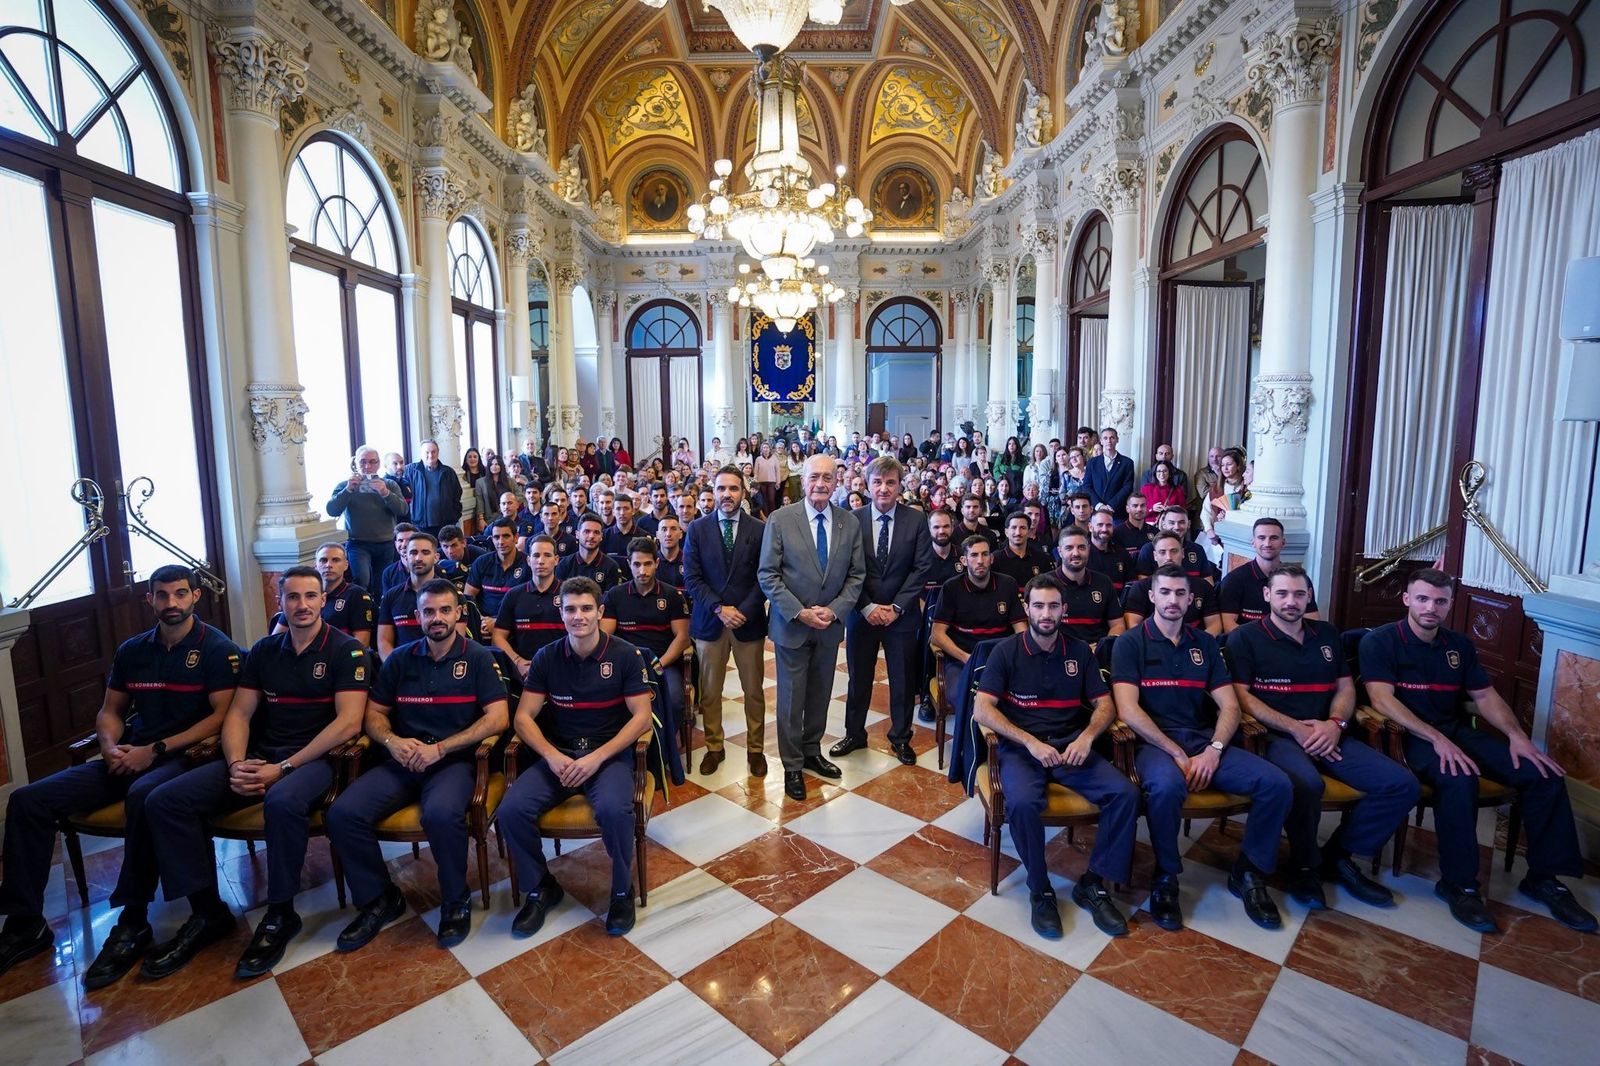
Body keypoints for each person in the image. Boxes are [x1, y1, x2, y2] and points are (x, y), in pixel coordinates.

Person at [0, 568, 241, 985]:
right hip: (129, 754)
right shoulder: (133, 650)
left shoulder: (217, 649)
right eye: (162, 596)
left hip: (183, 757)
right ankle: (25, 923)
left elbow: (222, 718)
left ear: (195, 596)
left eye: (180, 594)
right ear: (149, 600)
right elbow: (110, 712)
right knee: (27, 800)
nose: (171, 604)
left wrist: (157, 750)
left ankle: (132, 920)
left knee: (146, 797)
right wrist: (110, 746)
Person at [142, 567, 368, 979]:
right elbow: (239, 714)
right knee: (165, 800)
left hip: (317, 761)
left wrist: (282, 769)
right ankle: (207, 911)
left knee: (282, 801)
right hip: (261, 756)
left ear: (323, 601)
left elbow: (348, 724)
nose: (302, 605)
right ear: (280, 602)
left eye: (310, 596)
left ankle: (281, 913)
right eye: (293, 597)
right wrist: (236, 763)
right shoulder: (264, 650)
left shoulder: (345, 649)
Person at [1361, 571, 1596, 933]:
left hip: (1455, 729)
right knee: (1459, 777)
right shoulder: (1381, 641)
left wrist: (1516, 736)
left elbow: (1485, 696)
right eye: (1423, 599)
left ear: (1449, 604)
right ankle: (1459, 883)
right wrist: (1436, 740)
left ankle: (1544, 878)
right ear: (1407, 599)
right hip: (1410, 737)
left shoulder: (1459, 646)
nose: (1431, 608)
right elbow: (1381, 699)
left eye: (1440, 601)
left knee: (1543, 773)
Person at [326, 580, 510, 951]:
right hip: (403, 759)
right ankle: (379, 898)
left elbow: (498, 719)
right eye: (429, 612)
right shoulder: (400, 658)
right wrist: (393, 742)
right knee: (343, 813)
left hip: (453, 763)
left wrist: (442, 748)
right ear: (417, 617)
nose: (437, 618)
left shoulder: (477, 657)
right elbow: (374, 715)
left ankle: (455, 900)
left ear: (459, 613)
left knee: (440, 816)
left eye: (445, 610)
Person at [1112, 566, 1293, 932]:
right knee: (1166, 787)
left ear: (1191, 599)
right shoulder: (1131, 643)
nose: (1173, 600)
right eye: (1165, 593)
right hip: (1154, 743)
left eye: (1181, 594)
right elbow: (1129, 710)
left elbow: (1229, 705)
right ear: (1152, 596)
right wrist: (1175, 752)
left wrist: (1212, 749)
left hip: (1201, 738)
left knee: (1276, 784)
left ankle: (1249, 871)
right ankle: (1166, 875)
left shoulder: (1205, 644)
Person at [1227, 565, 1417, 909]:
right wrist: (1296, 728)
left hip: (1329, 734)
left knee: (1400, 784)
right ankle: (1303, 866)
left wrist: (1334, 725)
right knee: (1307, 785)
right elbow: (1241, 697)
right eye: (1282, 593)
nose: (1291, 601)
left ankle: (1337, 856)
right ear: (1267, 595)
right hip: (1275, 736)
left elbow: (1345, 688)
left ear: (1309, 597)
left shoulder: (1327, 634)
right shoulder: (1245, 637)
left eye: (1299, 594)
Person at [974, 575, 1140, 939]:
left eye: (1053, 606)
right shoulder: (1006, 650)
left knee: (1125, 794)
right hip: (1023, 750)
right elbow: (982, 709)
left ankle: (1092, 883)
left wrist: (1086, 737)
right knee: (1021, 803)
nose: (1046, 613)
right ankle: (1040, 888)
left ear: (1064, 609)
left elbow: (1104, 705)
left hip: (1071, 747)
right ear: (1027, 608)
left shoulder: (1079, 651)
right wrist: (1029, 742)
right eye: (1038, 605)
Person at [500, 578, 655, 938]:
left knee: (616, 811)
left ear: (600, 612)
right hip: (560, 754)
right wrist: (552, 756)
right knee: (510, 811)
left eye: (586, 608)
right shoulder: (547, 656)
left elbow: (642, 717)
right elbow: (523, 717)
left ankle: (621, 891)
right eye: (570, 609)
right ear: (561, 612)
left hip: (607, 756)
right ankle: (541, 887)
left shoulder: (624, 655)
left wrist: (596, 758)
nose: (578, 616)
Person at [757, 454, 866, 800]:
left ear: (837, 482)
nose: (820, 483)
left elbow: (856, 575)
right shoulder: (780, 519)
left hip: (829, 627)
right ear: (802, 481)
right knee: (790, 698)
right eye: (814, 477)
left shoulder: (849, 523)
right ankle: (791, 765)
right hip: (792, 625)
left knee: (820, 692)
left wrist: (834, 611)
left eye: (827, 478)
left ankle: (811, 750)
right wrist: (800, 612)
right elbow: (767, 575)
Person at [832, 457, 933, 766]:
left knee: (902, 679)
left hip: (901, 616)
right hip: (862, 614)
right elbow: (845, 568)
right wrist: (867, 606)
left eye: (890, 482)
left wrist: (897, 607)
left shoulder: (915, 520)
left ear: (900, 485)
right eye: (877, 482)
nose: (884, 488)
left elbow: (922, 568)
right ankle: (854, 733)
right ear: (867, 484)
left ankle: (901, 737)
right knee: (858, 678)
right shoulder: (852, 519)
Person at [685, 466, 770, 776]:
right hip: (710, 621)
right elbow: (692, 579)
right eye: (721, 488)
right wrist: (720, 609)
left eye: (733, 489)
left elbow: (765, 577)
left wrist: (742, 610)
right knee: (709, 690)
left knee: (754, 690)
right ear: (713, 491)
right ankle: (714, 746)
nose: (727, 494)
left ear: (743, 493)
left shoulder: (759, 529)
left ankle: (756, 749)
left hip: (748, 623)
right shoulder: (697, 529)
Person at [603, 538, 690, 732]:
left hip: (663, 664)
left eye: (648, 564)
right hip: (625, 664)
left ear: (657, 563)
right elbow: (604, 635)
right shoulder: (615, 595)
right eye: (637, 564)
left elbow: (682, 638)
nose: (642, 571)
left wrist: (659, 663)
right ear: (629, 564)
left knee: (675, 700)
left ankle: (667, 747)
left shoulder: (672, 595)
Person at [931, 536, 1026, 708]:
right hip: (962, 660)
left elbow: (1021, 630)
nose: (980, 561)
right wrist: (967, 658)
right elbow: (936, 635)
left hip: (1001, 658)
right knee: (960, 696)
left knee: (1020, 694)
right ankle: (971, 735)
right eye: (974, 555)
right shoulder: (952, 587)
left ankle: (1001, 734)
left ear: (992, 558)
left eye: (984, 554)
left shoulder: (1008, 584)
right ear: (964, 560)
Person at [327, 445, 410, 591]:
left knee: (382, 583)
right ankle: (362, 610)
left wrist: (385, 493)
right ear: (355, 464)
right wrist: (348, 490)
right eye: (363, 462)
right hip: (357, 543)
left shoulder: (389, 484)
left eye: (372, 462)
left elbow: (403, 510)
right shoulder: (345, 485)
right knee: (361, 580)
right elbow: (332, 510)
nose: (367, 466)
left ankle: (379, 612)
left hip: (385, 542)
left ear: (378, 464)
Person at [1218, 517, 1321, 632]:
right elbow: (1228, 625)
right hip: (1249, 645)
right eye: (1261, 538)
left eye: (1274, 538)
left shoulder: (1300, 580)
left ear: (1283, 543)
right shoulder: (1234, 580)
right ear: (1253, 542)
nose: (1267, 543)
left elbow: (1313, 623)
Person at [493, 535, 566, 684]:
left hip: (562, 669)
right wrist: (518, 662)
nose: (541, 561)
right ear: (528, 560)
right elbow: (498, 637)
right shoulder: (514, 595)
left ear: (556, 560)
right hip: (524, 672)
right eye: (536, 555)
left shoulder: (568, 593)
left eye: (547, 555)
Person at [1122, 533, 1221, 634]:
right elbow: (1133, 625)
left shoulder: (1203, 586)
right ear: (1155, 556)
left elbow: (1215, 624)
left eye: (1174, 551)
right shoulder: (1141, 588)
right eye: (1162, 552)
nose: (1169, 557)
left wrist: (1199, 644)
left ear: (1182, 553)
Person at [1052, 526, 1123, 647]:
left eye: (1081, 547)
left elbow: (1118, 625)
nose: (1076, 553)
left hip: (1097, 655)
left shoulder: (1104, 582)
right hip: (1058, 653)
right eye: (1069, 548)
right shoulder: (1046, 584)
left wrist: (1103, 647)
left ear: (1088, 549)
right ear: (1060, 551)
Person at [465, 517, 531, 620]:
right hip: (484, 621)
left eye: (506, 536)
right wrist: (480, 620)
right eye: (496, 537)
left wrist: (498, 623)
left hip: (516, 623)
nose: (501, 542)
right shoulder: (482, 562)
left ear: (516, 538)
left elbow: (530, 603)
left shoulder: (528, 564)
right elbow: (468, 597)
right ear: (492, 539)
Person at [1135, 508, 1218, 583]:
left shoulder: (1198, 549)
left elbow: (1208, 584)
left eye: (1181, 522)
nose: (1177, 527)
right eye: (1171, 523)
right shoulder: (1148, 549)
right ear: (1163, 524)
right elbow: (1143, 585)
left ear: (1188, 524)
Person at [405, 440, 464, 537]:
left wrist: (455, 515)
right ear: (421, 454)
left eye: (433, 452)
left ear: (438, 453)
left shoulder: (448, 472)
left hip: (445, 525)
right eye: (427, 452)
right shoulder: (410, 471)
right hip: (420, 525)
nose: (430, 455)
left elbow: (457, 494)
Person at [555, 512, 625, 590]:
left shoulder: (611, 567)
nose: (591, 536)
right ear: (577, 535)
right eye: (587, 531)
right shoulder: (564, 565)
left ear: (601, 537)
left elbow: (611, 599)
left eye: (596, 532)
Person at [992, 511, 1052, 589]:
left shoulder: (1042, 558)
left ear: (1028, 531)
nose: (1018, 533)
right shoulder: (995, 559)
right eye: (1014, 527)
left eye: (1022, 528)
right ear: (1006, 532)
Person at [1084, 427, 1135, 517]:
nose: (1109, 441)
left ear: (1117, 440)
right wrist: (1099, 505)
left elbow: (1127, 487)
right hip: (1096, 511)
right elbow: (1087, 486)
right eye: (1105, 438)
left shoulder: (1127, 463)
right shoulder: (1092, 463)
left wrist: (1111, 505)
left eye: (1112, 438)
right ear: (1101, 441)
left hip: (1117, 512)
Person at [1085, 510, 1132, 593]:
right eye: (1100, 525)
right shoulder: (1081, 554)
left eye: (1109, 525)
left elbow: (1130, 585)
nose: (1104, 529)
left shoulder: (1122, 554)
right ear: (1090, 527)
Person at [1139, 460, 1186, 526]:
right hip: (1151, 525)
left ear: (1169, 473)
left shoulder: (1178, 490)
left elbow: (1183, 511)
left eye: (1165, 471)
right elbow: (1139, 512)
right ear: (1155, 473)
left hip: (1171, 526)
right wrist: (1152, 509)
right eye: (1159, 471)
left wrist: (1172, 509)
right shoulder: (1146, 489)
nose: (1162, 474)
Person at [474, 456, 519, 524]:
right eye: (492, 464)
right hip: (490, 519)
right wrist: (481, 519)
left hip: (509, 517)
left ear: (501, 466)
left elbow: (520, 496)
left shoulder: (510, 481)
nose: (494, 466)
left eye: (497, 464)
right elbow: (479, 501)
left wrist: (510, 505)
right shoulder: (480, 482)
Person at [654, 514, 686, 590]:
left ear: (681, 534)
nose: (668, 534)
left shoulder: (689, 561)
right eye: (664, 529)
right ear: (657, 535)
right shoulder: (651, 561)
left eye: (673, 529)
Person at [753, 441, 781, 516]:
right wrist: (755, 483)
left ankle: (773, 515)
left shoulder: (774, 458)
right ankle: (766, 516)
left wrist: (778, 482)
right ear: (761, 449)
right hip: (761, 482)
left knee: (771, 499)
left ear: (770, 449)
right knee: (764, 500)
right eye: (764, 448)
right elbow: (756, 471)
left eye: (767, 447)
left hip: (772, 482)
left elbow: (777, 471)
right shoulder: (758, 459)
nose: (765, 449)